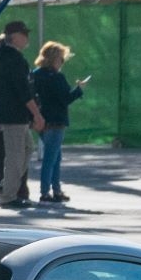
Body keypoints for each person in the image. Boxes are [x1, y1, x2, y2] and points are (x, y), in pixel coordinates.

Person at [0, 21, 40, 205]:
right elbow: (23, 90)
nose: (27, 38)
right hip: (15, 115)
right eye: (24, 34)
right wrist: (37, 114)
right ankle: (9, 196)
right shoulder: (14, 59)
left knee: (26, 148)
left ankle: (6, 185)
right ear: (15, 36)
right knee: (15, 155)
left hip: (7, 113)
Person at [30, 41, 85, 205]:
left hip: (41, 120)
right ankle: (47, 191)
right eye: (61, 59)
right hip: (56, 121)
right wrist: (79, 89)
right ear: (54, 59)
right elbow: (65, 98)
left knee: (54, 156)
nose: (62, 62)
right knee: (51, 158)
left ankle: (55, 189)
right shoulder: (57, 77)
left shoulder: (36, 74)